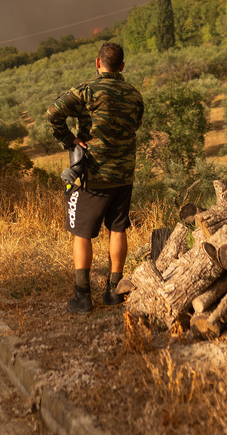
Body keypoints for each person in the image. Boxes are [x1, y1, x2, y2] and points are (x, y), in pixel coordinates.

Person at [46, 42, 144, 313]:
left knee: (81, 234)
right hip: (124, 175)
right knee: (118, 229)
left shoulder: (86, 91)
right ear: (122, 66)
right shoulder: (134, 95)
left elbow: (53, 112)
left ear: (97, 63)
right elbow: (135, 124)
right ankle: (114, 291)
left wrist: (69, 139)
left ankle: (83, 297)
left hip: (93, 175)